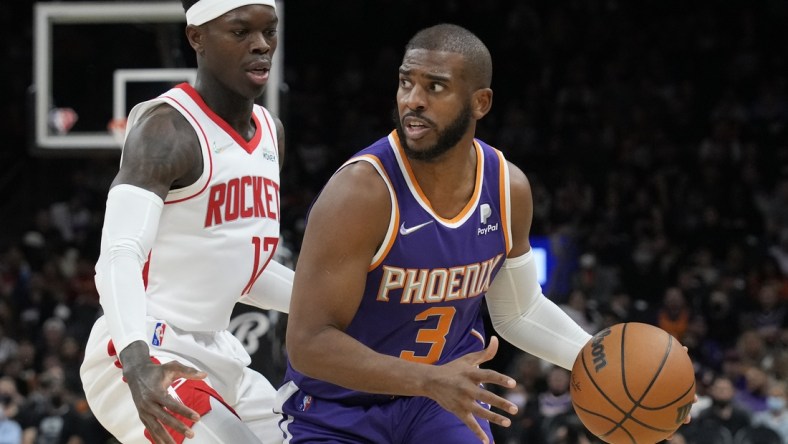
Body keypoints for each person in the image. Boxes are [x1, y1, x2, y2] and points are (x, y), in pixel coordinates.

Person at [277, 24, 595, 444]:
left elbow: (518, 312)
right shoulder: (360, 192)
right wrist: (428, 379)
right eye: (406, 82)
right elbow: (307, 343)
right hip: (336, 410)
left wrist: (603, 359)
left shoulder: (506, 188)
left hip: (439, 406)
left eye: (435, 87)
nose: (413, 100)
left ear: (480, 102)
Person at [79, 1, 292, 443]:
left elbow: (247, 272)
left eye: (268, 32)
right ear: (197, 37)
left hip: (221, 351)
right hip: (142, 349)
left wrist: (347, 301)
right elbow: (119, 254)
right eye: (240, 33)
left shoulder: (271, 133)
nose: (261, 46)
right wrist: (138, 364)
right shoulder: (167, 129)